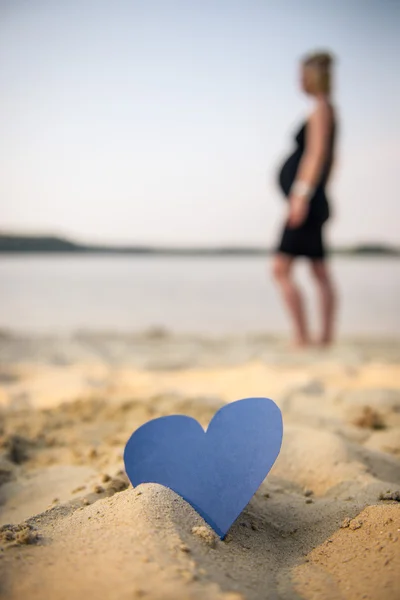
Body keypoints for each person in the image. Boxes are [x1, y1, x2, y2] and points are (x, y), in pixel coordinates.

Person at [273, 51, 337, 348]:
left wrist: (300, 194)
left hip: (306, 202)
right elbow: (330, 161)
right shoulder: (325, 109)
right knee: (319, 270)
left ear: (314, 76)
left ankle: (303, 337)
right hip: (314, 199)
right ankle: (322, 338)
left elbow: (316, 154)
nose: (299, 81)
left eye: (302, 75)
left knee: (280, 269)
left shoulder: (321, 109)